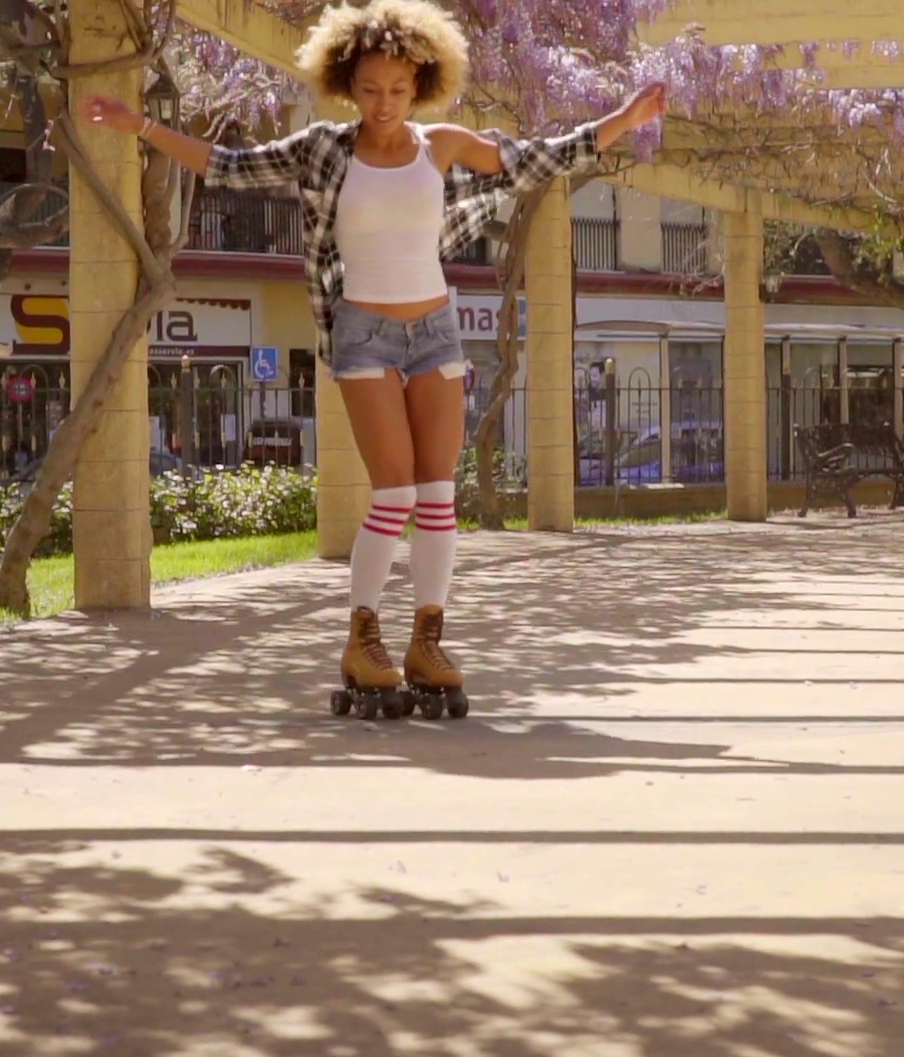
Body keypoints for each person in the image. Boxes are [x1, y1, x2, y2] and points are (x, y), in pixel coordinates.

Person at [83, 0, 666, 715]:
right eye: (369, 89)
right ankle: (362, 640)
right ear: (347, 85)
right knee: (393, 494)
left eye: (397, 89)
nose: (384, 103)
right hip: (363, 332)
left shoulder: (440, 145)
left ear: (419, 84)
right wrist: (140, 126)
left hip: (436, 332)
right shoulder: (324, 150)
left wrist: (623, 120)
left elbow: (536, 159)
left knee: (438, 495)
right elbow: (230, 166)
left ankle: (427, 641)